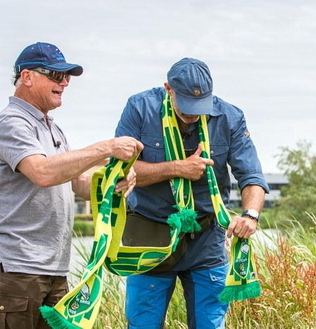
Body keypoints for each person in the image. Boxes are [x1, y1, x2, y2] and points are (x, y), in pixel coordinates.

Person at [0, 42, 142, 329]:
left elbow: (76, 183)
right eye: (55, 75)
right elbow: (42, 172)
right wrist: (105, 148)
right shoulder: (10, 123)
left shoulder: (52, 128)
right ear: (27, 77)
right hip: (18, 270)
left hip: (53, 269)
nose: (64, 82)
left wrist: (111, 181)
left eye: (66, 76)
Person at [115, 57, 268, 329]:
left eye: (200, 106)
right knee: (143, 324)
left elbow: (252, 175)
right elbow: (121, 170)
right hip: (150, 232)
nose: (193, 114)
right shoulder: (140, 108)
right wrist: (177, 168)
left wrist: (250, 215)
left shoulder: (230, 117)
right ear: (168, 89)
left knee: (210, 324)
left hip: (206, 236)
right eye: (186, 106)